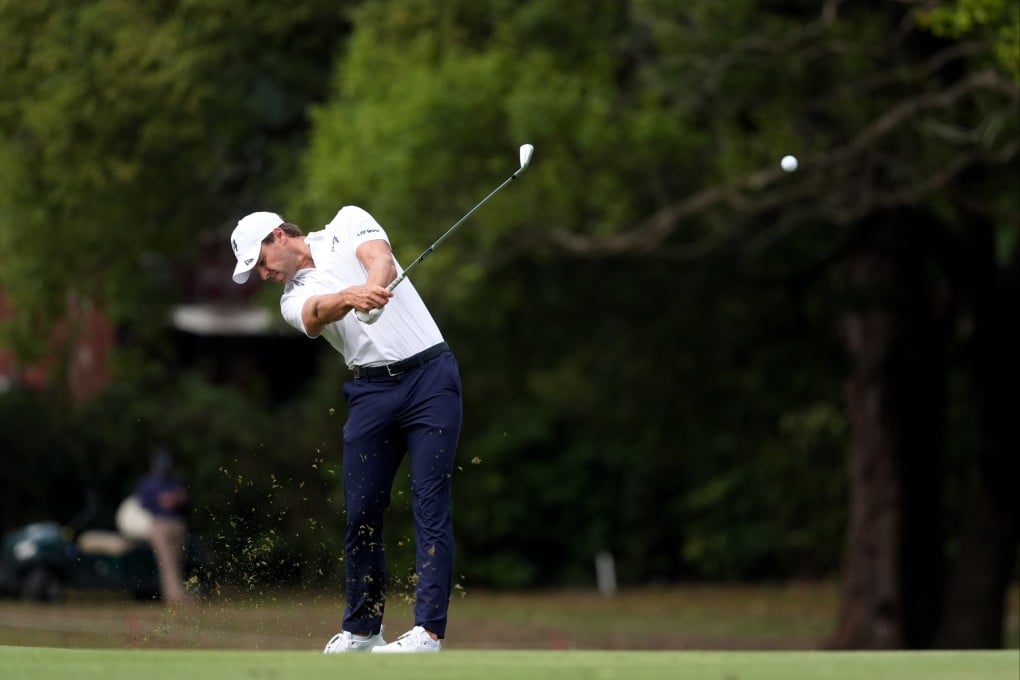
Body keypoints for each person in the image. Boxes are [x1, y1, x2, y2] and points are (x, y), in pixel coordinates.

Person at [229, 206, 463, 654]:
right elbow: (316, 313)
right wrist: (352, 299)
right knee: (361, 514)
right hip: (371, 393)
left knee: (429, 502)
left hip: (430, 377)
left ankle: (427, 633)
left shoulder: (346, 223)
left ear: (279, 236)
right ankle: (362, 629)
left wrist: (373, 288)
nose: (263, 274)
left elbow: (381, 259)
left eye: (260, 261)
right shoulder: (289, 299)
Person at [134, 448, 190, 605]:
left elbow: (186, 500)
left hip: (177, 523)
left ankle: (178, 594)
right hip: (159, 524)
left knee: (177, 561)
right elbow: (141, 504)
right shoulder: (147, 483)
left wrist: (178, 499)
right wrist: (160, 501)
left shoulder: (175, 481)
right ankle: (174, 597)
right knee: (167, 562)